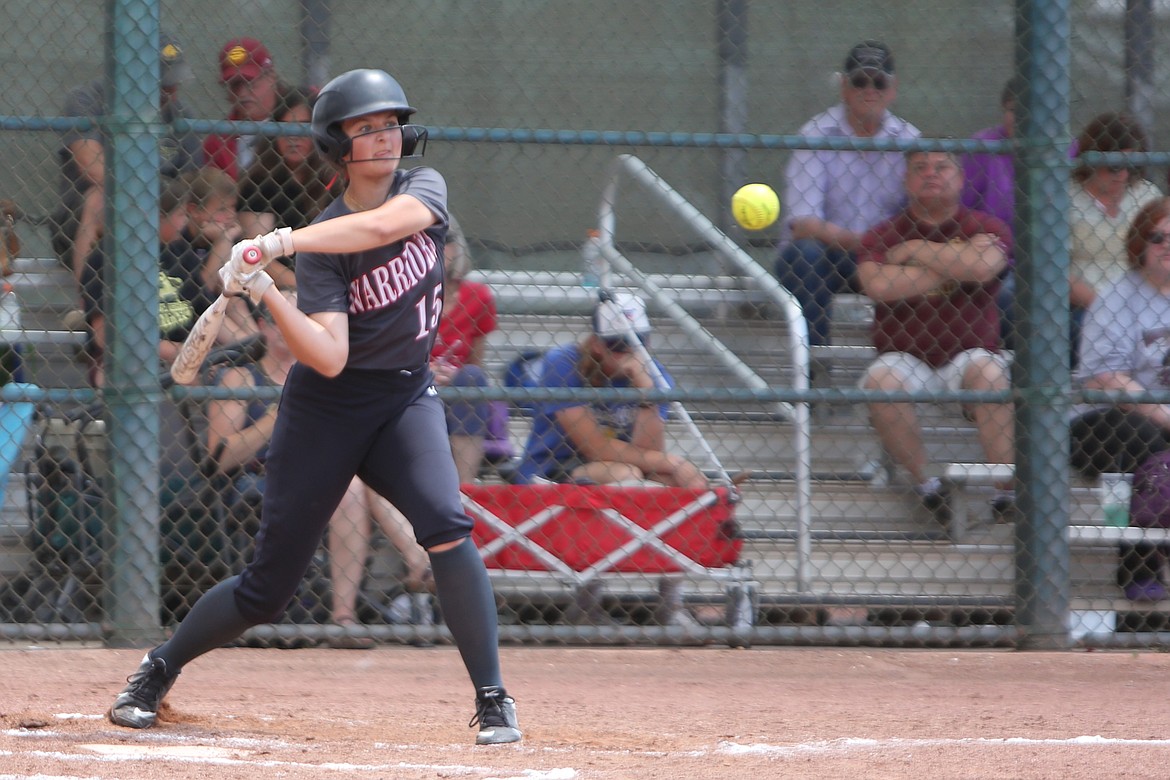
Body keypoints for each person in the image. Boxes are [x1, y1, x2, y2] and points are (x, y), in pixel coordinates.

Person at [107, 67, 521, 745]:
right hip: (327, 410)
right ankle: (158, 667)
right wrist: (270, 291)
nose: (385, 139)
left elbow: (388, 224)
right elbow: (327, 356)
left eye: (390, 125)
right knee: (267, 590)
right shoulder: (325, 242)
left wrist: (281, 242)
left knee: (446, 524)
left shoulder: (422, 190)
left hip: (404, 397)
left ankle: (494, 697)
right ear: (339, 145)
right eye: (365, 130)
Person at [205, 293, 429, 645]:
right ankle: (417, 556)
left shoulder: (327, 375)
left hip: (323, 471)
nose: (296, 329)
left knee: (357, 477)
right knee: (351, 484)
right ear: (264, 326)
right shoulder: (242, 378)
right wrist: (279, 414)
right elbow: (221, 458)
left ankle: (343, 619)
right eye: (286, 320)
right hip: (260, 477)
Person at [512, 293, 708, 625]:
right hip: (553, 470)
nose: (627, 354)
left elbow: (650, 451)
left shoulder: (651, 372)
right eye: (617, 346)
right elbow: (595, 448)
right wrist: (673, 462)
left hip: (618, 470)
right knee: (626, 472)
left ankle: (670, 604)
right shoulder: (564, 362)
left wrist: (647, 393)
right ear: (597, 344)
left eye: (636, 344)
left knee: (685, 483)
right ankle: (586, 604)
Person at [856, 150, 1015, 518]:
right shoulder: (882, 234)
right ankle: (929, 486)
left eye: (942, 167)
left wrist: (913, 251)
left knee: (990, 375)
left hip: (971, 354)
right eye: (920, 168)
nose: (931, 174)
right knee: (880, 382)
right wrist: (958, 263)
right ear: (906, 181)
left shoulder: (986, 227)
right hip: (904, 356)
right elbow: (879, 286)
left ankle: (1006, 492)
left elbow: (985, 268)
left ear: (960, 179)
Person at [775, 40, 921, 378]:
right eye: (859, 81)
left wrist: (890, 247)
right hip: (828, 258)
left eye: (879, 82)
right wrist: (869, 242)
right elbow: (804, 224)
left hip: (885, 257)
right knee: (806, 253)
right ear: (844, 87)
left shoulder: (910, 140)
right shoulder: (815, 134)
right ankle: (816, 372)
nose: (869, 90)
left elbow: (921, 215)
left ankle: (902, 375)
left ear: (893, 89)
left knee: (923, 255)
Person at [1071, 197, 1170, 602]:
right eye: (1158, 237)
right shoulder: (1117, 299)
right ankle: (1139, 570)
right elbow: (1106, 379)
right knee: (1144, 438)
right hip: (1100, 422)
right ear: (1139, 244)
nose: (1167, 245)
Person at [52, 32, 200, 292]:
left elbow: (191, 180)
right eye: (162, 84)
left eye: (173, 83)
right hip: (87, 219)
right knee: (99, 195)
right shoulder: (88, 99)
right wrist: (146, 204)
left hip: (160, 212)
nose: (171, 92)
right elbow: (92, 167)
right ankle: (91, 306)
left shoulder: (178, 112)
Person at [79, 176, 196, 387]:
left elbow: (205, 307)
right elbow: (104, 337)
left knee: (225, 375)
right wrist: (175, 352)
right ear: (156, 217)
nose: (186, 221)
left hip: (182, 355)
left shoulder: (180, 252)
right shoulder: (105, 258)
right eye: (180, 214)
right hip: (123, 359)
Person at [1068, 112, 1162, 366]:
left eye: (1130, 166)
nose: (1122, 175)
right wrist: (1107, 307)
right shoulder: (1065, 198)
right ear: (1091, 159)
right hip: (1084, 304)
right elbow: (1055, 272)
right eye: (1113, 166)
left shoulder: (1146, 196)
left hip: (1144, 302)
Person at [237, 86, 343, 289]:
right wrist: (306, 289)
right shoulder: (259, 183)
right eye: (286, 127)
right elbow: (257, 255)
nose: (293, 137)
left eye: (302, 127)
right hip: (278, 288)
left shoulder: (333, 179)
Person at [961, 76, 1023, 349]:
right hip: (994, 257)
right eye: (1012, 110)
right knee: (1009, 297)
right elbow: (961, 209)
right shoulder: (983, 147)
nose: (1020, 118)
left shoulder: (1067, 149)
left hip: (1052, 261)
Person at [167, 168, 255, 342]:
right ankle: (248, 348)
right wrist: (222, 243)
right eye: (222, 209)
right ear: (194, 210)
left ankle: (257, 343)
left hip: (224, 310)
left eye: (232, 207)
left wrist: (226, 242)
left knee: (234, 301)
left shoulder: (232, 237)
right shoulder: (178, 241)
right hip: (190, 317)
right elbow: (201, 292)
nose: (231, 216)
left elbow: (229, 287)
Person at [202, 37, 283, 180]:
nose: (242, 93)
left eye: (250, 83)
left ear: (271, 77)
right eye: (235, 85)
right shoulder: (217, 142)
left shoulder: (299, 117)